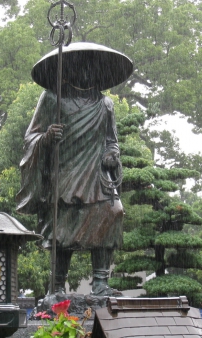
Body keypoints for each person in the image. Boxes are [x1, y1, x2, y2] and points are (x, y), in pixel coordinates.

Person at [16, 82, 124, 296]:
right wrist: (45, 138)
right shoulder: (52, 98)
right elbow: (30, 138)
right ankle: (56, 286)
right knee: (62, 231)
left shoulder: (105, 104)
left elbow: (111, 141)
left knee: (112, 213)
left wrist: (112, 154)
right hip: (65, 173)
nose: (86, 72)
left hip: (96, 175)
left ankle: (101, 282)